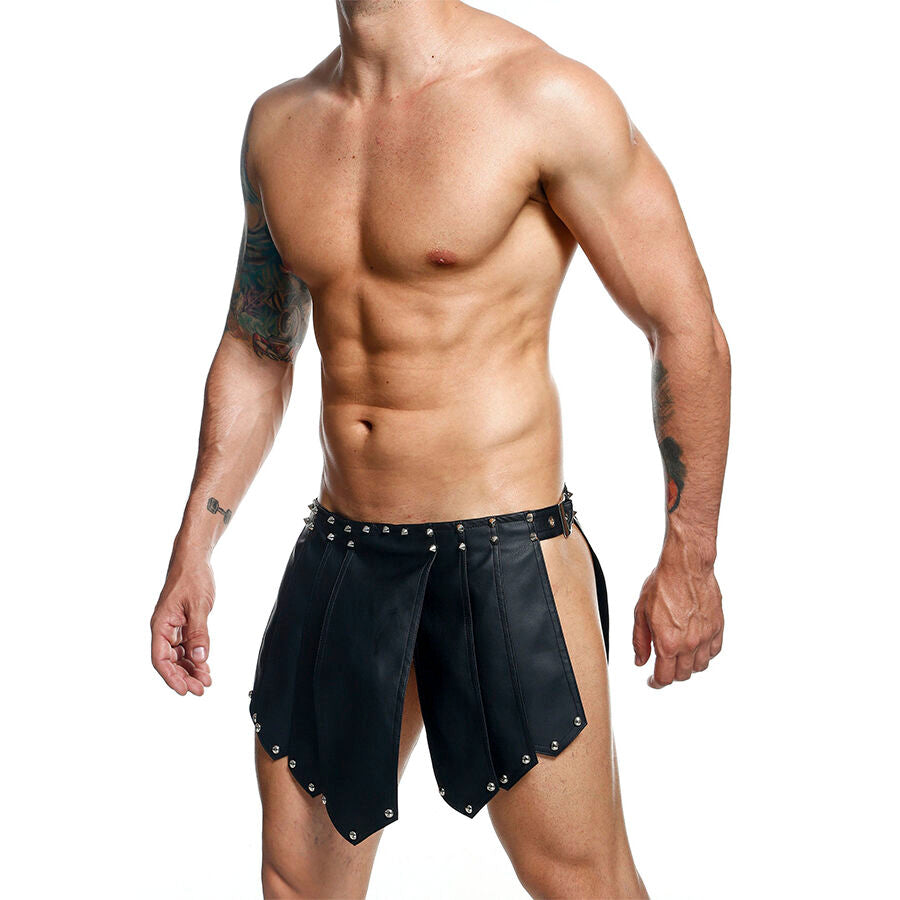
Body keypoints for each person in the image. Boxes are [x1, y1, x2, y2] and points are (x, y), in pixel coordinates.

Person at [150, 1, 730, 896]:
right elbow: (260, 347)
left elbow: (685, 328)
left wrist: (690, 559)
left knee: (583, 883)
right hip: (344, 552)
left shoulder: (544, 98)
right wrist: (194, 546)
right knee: (296, 882)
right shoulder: (280, 124)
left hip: (504, 556)